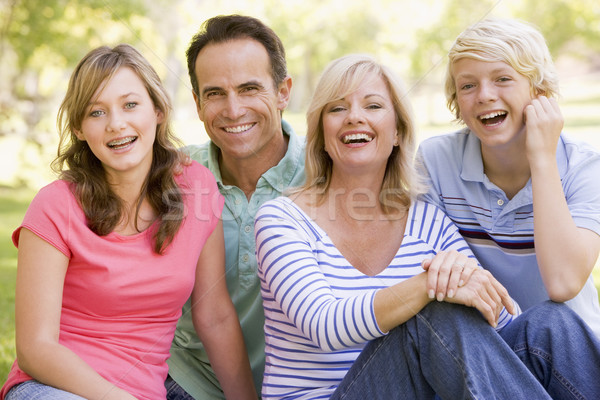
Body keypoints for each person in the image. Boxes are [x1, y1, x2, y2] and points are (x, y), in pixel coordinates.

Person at [254, 54, 600, 399]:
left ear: (398, 133)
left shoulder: (426, 220)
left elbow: (503, 316)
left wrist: (465, 281)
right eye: (337, 109)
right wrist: (429, 287)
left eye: (373, 106)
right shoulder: (282, 220)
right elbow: (324, 325)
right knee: (435, 314)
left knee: (551, 324)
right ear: (321, 133)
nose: (354, 117)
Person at [0, 44, 256, 400]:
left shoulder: (196, 188)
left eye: (130, 104)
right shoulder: (55, 205)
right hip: (50, 388)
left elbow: (214, 316)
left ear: (158, 110)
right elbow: (35, 348)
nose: (116, 124)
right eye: (96, 112)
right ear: (78, 128)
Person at [417, 18, 600, 336]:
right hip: (486, 349)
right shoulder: (435, 160)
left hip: (566, 352)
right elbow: (432, 273)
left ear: (540, 91)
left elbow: (562, 284)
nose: (485, 95)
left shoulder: (584, 167)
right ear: (457, 102)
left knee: (548, 319)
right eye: (468, 85)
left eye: (503, 78)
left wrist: (542, 158)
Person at [166, 15, 305, 399]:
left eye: (249, 88)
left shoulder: (331, 169)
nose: (232, 109)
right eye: (214, 94)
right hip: (190, 381)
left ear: (282, 91)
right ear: (196, 103)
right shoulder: (171, 177)